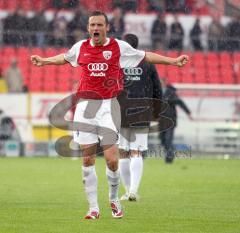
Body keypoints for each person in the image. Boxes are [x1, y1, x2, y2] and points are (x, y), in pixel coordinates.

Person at [30, 11, 189, 220]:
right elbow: (64, 57)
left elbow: (145, 56)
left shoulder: (118, 47)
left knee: (112, 160)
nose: (95, 28)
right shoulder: (81, 47)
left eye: (99, 25)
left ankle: (113, 199)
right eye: (92, 25)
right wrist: (44, 60)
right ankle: (93, 208)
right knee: (87, 160)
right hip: (86, 107)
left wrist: (173, 60)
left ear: (106, 28)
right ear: (88, 28)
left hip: (108, 106)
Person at [118, 34, 162, 201]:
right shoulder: (147, 62)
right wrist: (157, 111)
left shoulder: (117, 62)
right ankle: (133, 191)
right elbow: (157, 88)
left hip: (121, 110)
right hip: (142, 110)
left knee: (123, 152)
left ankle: (127, 190)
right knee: (136, 152)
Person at [158, 78, 192, 163]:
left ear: (165, 83)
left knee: (168, 139)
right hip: (161, 121)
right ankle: (170, 152)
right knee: (162, 139)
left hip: (170, 120)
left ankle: (169, 157)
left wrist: (188, 113)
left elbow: (180, 102)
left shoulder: (170, 93)